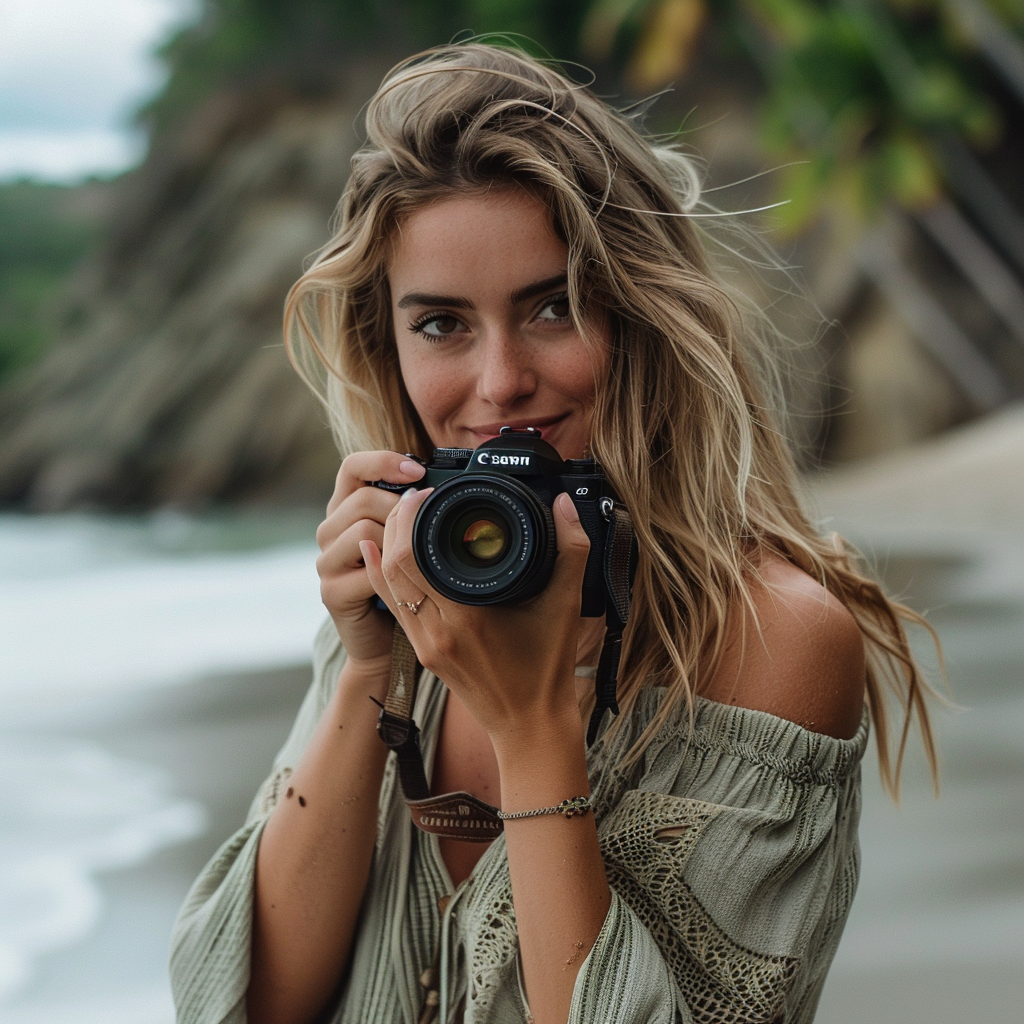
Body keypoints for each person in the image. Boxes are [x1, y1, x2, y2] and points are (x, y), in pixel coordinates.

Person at [170, 43, 938, 1024]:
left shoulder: (770, 641)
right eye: (442, 324)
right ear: (389, 345)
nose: (499, 383)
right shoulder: (407, 579)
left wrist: (534, 729)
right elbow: (249, 1004)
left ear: (635, 314)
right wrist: (370, 673)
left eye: (551, 307)